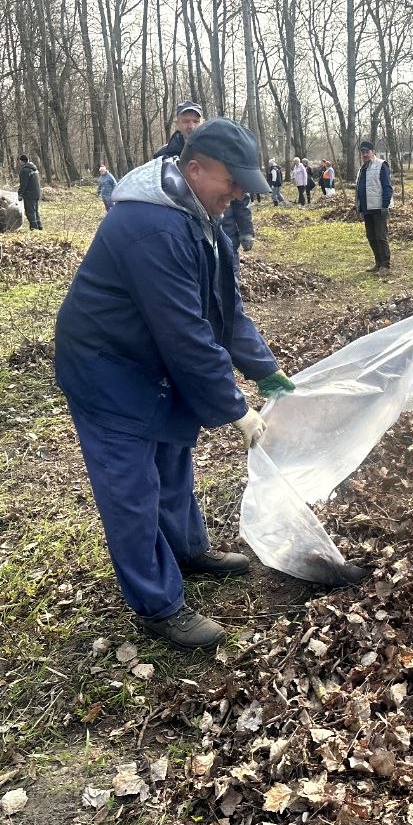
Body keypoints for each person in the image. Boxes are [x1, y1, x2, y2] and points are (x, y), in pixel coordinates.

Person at [55, 119, 295, 650]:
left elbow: (224, 314)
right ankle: (158, 604)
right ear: (194, 168)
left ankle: (188, 552)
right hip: (109, 370)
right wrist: (235, 408)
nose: (237, 195)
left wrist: (266, 370)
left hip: (153, 366)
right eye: (231, 182)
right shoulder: (150, 227)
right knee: (131, 490)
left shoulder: (205, 220)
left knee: (172, 461)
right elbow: (185, 333)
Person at [356, 140, 393, 273]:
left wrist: (385, 206)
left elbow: (387, 187)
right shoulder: (362, 169)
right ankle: (378, 263)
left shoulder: (381, 165)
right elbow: (360, 189)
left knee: (381, 237)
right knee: (371, 237)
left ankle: (385, 266)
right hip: (367, 209)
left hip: (378, 208)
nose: (365, 154)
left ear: (373, 152)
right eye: (363, 152)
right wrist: (359, 208)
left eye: (367, 152)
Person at [17, 154, 43, 230]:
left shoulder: (25, 171)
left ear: (21, 161)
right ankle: (39, 226)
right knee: (35, 211)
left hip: (29, 194)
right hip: (37, 193)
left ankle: (34, 228)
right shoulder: (34, 169)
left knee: (30, 212)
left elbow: (23, 184)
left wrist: (20, 194)